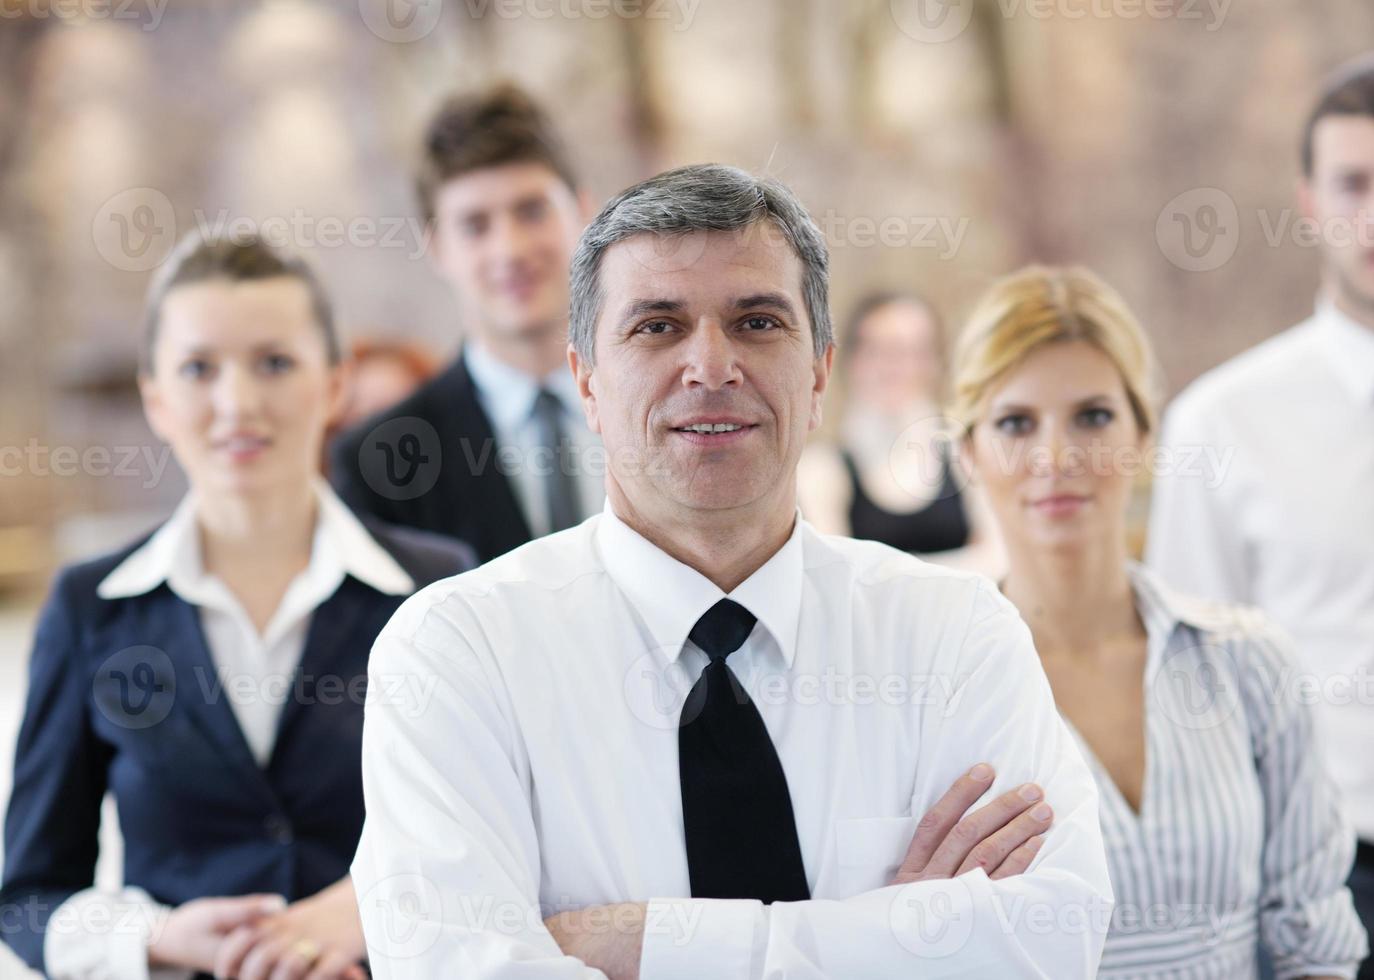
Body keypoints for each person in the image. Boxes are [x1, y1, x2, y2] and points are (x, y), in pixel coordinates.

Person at [349, 164, 1113, 978]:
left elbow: (1048, 943)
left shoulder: (956, 634)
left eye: (756, 322)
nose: (711, 367)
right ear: (586, 383)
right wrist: (897, 934)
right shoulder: (456, 653)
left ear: (819, 373)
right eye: (657, 327)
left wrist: (650, 944)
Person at [0, 233, 473, 979]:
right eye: (198, 368)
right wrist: (160, 935)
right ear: (156, 397)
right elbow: (26, 897)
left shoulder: (438, 588)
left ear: (336, 384)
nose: (237, 403)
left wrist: (369, 905)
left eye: (275, 363)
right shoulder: (92, 607)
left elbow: (508, 840)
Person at [949, 264, 1366, 978]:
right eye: (1016, 423)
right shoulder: (943, 689)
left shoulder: (1246, 660)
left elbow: (1312, 936)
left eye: (1094, 416)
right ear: (967, 454)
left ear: (1144, 437)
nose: (1057, 456)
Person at [1146, 59, 1374, 977]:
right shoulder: (1222, 423)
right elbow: (1193, 702)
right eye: (1353, 183)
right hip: (1335, 900)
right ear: (1309, 202)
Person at [330, 83, 601, 562]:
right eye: (476, 226)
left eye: (532, 211)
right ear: (437, 247)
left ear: (582, 214)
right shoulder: (379, 460)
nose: (510, 251)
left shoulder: (663, 405)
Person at [799, 293, 973, 554]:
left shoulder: (967, 452)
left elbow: (1000, 555)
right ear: (852, 361)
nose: (896, 368)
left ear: (936, 362)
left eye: (914, 351)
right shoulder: (821, 468)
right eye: (879, 351)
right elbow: (836, 574)